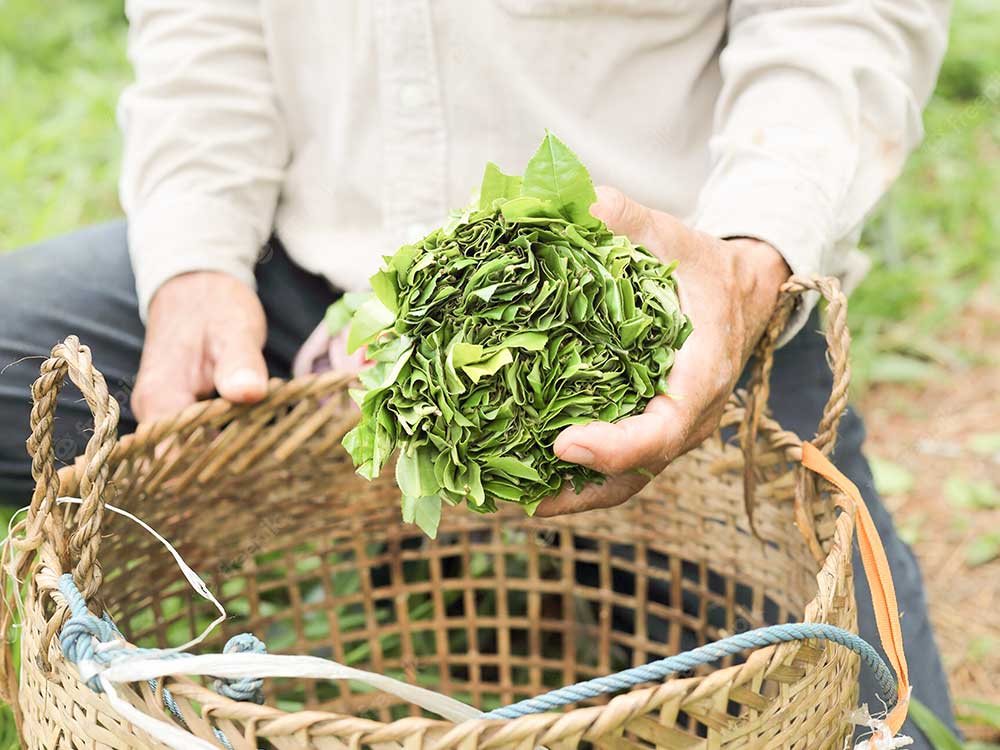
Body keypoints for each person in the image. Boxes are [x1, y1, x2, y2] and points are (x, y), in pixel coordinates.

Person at [0, 1, 957, 744]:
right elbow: (203, 22)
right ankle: (394, 551)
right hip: (305, 266)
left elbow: (838, 22)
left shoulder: (704, 295)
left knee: (873, 717)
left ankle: (634, 582)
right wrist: (197, 256)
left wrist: (751, 261)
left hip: (675, 309)